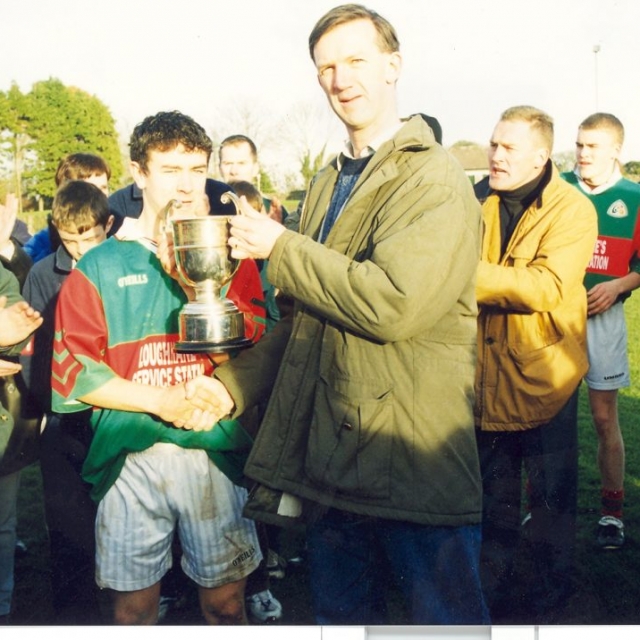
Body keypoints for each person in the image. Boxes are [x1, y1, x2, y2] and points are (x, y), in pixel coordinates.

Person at [206, 4, 489, 625]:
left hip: (412, 460)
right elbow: (307, 317)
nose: (341, 78)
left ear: (394, 66)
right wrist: (229, 388)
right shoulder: (330, 178)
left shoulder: (433, 177)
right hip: (333, 458)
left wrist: (280, 246)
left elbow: (393, 304)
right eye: (326, 66)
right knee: (342, 623)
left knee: (444, 626)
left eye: (356, 60)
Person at [51, 111, 266, 625]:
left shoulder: (233, 254)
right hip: (131, 455)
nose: (188, 185)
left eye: (196, 168)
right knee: (132, 613)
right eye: (171, 170)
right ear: (138, 172)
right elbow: (73, 374)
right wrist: (161, 400)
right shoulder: (99, 265)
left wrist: (202, 304)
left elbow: (264, 352)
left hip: (214, 453)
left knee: (227, 607)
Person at [473, 105, 598, 622]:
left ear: (542, 156)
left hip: (547, 377)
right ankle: (491, 595)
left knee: (550, 501)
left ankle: (550, 598)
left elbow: (546, 287)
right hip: (481, 379)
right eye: (494, 144)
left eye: (509, 148)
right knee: (491, 499)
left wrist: (459, 271)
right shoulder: (473, 199)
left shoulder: (572, 210)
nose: (496, 156)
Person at [20, 180, 114, 623]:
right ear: (56, 230)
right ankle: (75, 616)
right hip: (62, 415)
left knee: (117, 516)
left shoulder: (120, 265)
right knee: (67, 519)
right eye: (70, 239)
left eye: (90, 238)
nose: (80, 250)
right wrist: (40, 406)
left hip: (114, 410)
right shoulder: (41, 274)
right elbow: (31, 351)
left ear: (108, 226)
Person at [561, 113, 640, 550]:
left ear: (615, 150)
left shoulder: (634, 196)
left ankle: (612, 513)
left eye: (593, 146)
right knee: (548, 420)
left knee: (604, 418)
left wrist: (618, 285)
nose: (583, 153)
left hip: (604, 323)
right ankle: (544, 509)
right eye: (580, 144)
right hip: (553, 321)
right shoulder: (559, 189)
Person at [0, 263, 43, 624]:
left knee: (3, 519)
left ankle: (3, 604)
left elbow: (15, 332)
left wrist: (13, 331)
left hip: (1, 429)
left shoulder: (3, 276)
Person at [23, 152, 112, 263]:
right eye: (89, 189)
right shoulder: (43, 244)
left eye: (103, 188)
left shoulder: (121, 228)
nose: (99, 195)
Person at [218, 135, 294, 229]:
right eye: (228, 163)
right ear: (220, 169)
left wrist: (274, 231)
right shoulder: (208, 206)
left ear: (255, 168)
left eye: (242, 163)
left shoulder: (273, 210)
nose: (234, 171)